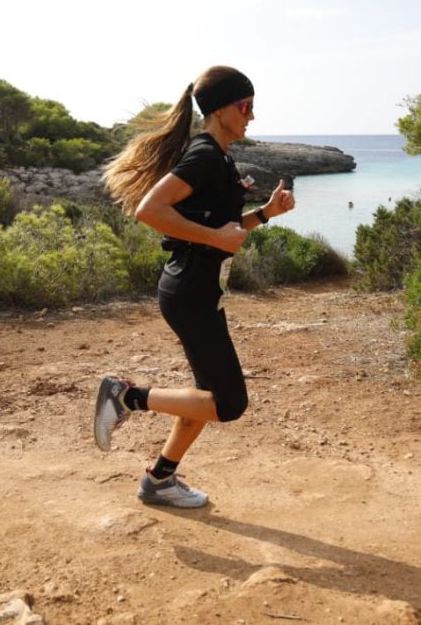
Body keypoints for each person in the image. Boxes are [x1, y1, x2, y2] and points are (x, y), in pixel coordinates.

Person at [94, 65, 295, 508]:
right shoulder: (204, 155)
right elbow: (149, 210)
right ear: (221, 109)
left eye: (252, 107)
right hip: (189, 292)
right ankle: (127, 396)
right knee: (228, 404)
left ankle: (160, 479)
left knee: (204, 395)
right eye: (246, 107)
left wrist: (263, 214)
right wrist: (214, 238)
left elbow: (222, 228)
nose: (251, 116)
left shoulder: (219, 158)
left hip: (199, 291)